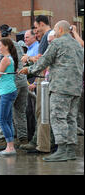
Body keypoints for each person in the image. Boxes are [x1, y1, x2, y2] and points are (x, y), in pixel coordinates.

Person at [19, 20, 84, 162]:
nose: (54, 33)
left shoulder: (57, 43)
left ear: (60, 30)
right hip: (76, 88)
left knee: (58, 117)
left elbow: (44, 61)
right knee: (71, 119)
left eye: (55, 30)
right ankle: (70, 150)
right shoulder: (77, 45)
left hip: (61, 87)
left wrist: (28, 70)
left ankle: (61, 150)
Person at [0, 24, 28, 151]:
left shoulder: (5, 47)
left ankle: (3, 139)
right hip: (23, 84)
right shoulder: (18, 46)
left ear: (4, 34)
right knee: (20, 113)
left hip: (10, 86)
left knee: (3, 115)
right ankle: (23, 139)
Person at [19, 15, 56, 154]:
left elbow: (41, 61)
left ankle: (43, 145)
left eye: (35, 28)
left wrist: (28, 63)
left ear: (41, 24)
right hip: (44, 78)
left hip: (43, 79)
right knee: (42, 112)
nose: (35, 32)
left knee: (42, 112)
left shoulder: (47, 37)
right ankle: (41, 142)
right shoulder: (49, 36)